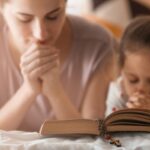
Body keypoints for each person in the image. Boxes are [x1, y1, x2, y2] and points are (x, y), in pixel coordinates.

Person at [0, 0, 115, 131]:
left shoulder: (98, 44)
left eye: (53, 17)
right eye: (24, 19)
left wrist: (55, 92)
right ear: (2, 9)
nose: (40, 34)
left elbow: (92, 136)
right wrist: (28, 91)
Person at [105, 16, 150, 116]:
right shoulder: (118, 93)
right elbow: (110, 130)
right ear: (121, 70)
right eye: (133, 80)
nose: (141, 89)